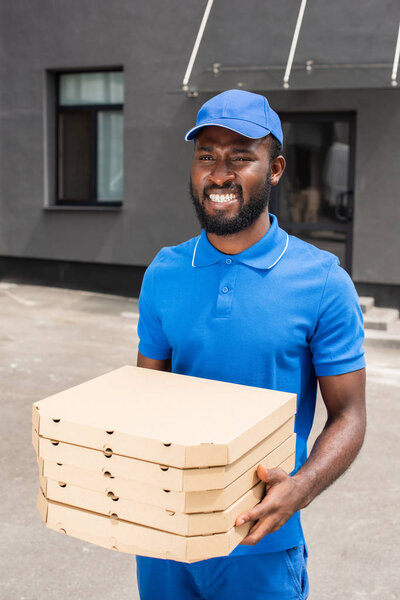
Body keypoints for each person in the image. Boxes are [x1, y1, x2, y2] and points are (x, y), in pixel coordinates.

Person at [135, 89, 366, 600]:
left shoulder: (322, 281)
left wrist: (299, 490)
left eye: (242, 157)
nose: (220, 174)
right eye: (207, 157)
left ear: (276, 169)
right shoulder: (165, 272)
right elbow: (143, 401)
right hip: (164, 536)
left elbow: (349, 415)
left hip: (258, 543)